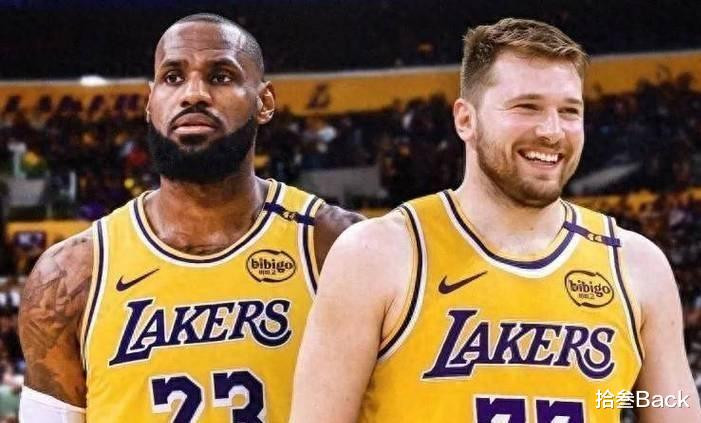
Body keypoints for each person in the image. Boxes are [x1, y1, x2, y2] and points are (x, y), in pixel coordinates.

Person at [291, 18, 701, 422]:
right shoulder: (375, 255)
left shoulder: (638, 265)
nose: (552, 131)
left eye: (569, 111)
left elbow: (673, 407)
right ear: (465, 120)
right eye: (527, 107)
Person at [18, 13, 361, 423]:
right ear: (150, 103)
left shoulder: (338, 248)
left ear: (265, 102)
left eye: (220, 76)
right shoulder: (72, 274)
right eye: (173, 77)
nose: (194, 94)